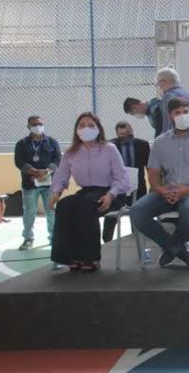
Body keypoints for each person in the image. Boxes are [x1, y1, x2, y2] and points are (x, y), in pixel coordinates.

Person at [129, 97, 189, 269]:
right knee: (137, 212)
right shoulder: (160, 142)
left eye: (185, 112)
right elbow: (153, 173)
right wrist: (161, 189)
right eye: (178, 113)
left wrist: (188, 190)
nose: (183, 115)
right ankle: (177, 248)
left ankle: (172, 247)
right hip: (168, 191)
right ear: (170, 116)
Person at [49, 113, 130, 272]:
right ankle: (69, 256)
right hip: (86, 192)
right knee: (65, 205)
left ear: (99, 129)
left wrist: (111, 194)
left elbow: (122, 178)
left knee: (86, 205)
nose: (86, 128)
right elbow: (61, 175)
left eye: (91, 125)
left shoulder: (109, 149)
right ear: (76, 130)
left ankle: (90, 258)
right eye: (82, 125)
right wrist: (56, 192)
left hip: (111, 193)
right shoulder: (71, 152)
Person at [13, 116, 61, 250]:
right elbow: (18, 161)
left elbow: (58, 159)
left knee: (51, 211)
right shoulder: (21, 144)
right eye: (34, 124)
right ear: (28, 126)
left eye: (40, 124)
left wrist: (47, 171)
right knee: (29, 212)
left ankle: (54, 238)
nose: (37, 126)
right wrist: (32, 171)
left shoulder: (52, 142)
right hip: (29, 184)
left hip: (49, 184)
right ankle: (28, 239)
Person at [102, 121, 150, 242]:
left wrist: (153, 185)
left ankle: (138, 240)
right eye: (121, 134)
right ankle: (107, 241)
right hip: (116, 187)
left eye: (127, 133)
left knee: (138, 215)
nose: (125, 136)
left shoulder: (142, 145)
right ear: (117, 134)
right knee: (112, 217)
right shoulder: (110, 146)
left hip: (138, 187)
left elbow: (149, 167)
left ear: (132, 131)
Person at [156, 67, 189, 134]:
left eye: (158, 84)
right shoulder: (187, 94)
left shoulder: (168, 96)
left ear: (163, 82)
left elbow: (168, 123)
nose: (159, 86)